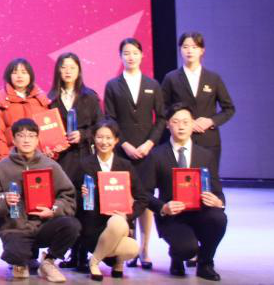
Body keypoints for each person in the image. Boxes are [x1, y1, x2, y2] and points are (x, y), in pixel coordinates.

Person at [0, 118, 80, 283]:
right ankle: (20, 261)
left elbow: (68, 196)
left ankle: (48, 261)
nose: (26, 140)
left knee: (72, 225)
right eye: (21, 136)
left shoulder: (51, 165)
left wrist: (53, 210)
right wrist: (4, 200)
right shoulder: (0, 168)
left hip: (44, 226)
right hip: (15, 229)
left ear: (37, 139)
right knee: (16, 257)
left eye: (31, 136)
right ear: (14, 139)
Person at [101, 37, 165, 270]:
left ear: (142, 55)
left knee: (145, 199)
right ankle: (129, 247)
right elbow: (110, 118)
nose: (131, 57)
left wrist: (149, 143)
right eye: (126, 53)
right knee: (124, 199)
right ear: (121, 56)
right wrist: (125, 144)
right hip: (122, 151)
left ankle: (145, 248)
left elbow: (162, 118)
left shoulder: (152, 84)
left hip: (147, 152)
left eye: (135, 53)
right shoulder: (113, 85)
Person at [148, 104, 227, 281]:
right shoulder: (156, 155)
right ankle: (177, 256)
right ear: (168, 125)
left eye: (186, 122)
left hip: (200, 212)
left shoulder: (206, 155)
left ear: (193, 124)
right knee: (186, 249)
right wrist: (163, 207)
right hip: (172, 216)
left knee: (219, 218)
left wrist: (218, 202)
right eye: (176, 122)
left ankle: (205, 263)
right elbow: (145, 193)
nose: (181, 127)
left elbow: (218, 190)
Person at [74, 120, 147, 280]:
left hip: (118, 225)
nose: (104, 142)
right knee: (117, 224)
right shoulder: (84, 165)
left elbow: (142, 198)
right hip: (93, 226)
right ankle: (101, 262)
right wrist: (83, 195)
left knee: (132, 246)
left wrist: (128, 215)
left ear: (116, 140)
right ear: (94, 138)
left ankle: (102, 261)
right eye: (100, 137)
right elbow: (73, 196)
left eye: (109, 138)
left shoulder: (125, 166)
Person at [160, 33, 235, 159]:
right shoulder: (171, 78)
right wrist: (186, 122)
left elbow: (229, 109)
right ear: (180, 50)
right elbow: (162, 107)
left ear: (202, 50)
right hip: (180, 140)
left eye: (194, 47)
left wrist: (211, 121)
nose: (189, 51)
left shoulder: (213, 78)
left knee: (208, 172)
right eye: (185, 47)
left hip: (208, 140)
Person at [46, 53, 102, 192]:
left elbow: (100, 126)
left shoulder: (90, 97)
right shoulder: (49, 99)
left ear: (79, 70)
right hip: (60, 159)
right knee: (63, 194)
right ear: (58, 70)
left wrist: (83, 135)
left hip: (84, 155)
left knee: (85, 196)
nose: (68, 71)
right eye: (64, 67)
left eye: (72, 67)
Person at [0, 58, 52, 161]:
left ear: (30, 76)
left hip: (39, 158)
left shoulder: (41, 99)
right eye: (15, 72)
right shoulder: (0, 100)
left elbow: (48, 129)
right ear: (9, 76)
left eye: (24, 72)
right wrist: (4, 160)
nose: (19, 76)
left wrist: (51, 150)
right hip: (12, 158)